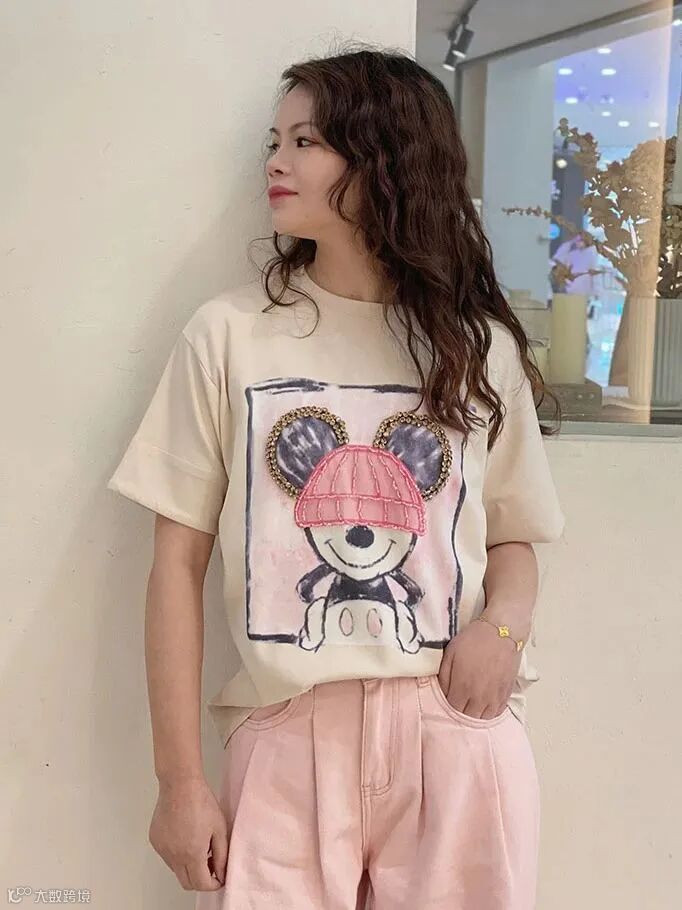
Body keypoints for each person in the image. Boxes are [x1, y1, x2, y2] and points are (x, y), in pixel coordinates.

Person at [107, 45, 565, 910]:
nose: (276, 163)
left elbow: (514, 535)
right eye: (273, 143)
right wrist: (180, 782)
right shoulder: (229, 336)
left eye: (306, 141)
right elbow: (175, 566)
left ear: (384, 156)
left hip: (452, 725)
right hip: (288, 730)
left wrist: (503, 631)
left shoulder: (476, 350)